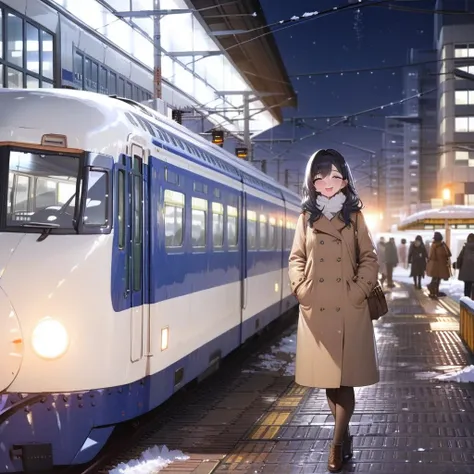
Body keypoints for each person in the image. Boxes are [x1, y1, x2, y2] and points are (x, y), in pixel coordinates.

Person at [288, 149, 379, 473]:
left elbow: (369, 258)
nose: (328, 182)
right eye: (321, 177)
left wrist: (358, 291)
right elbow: (296, 257)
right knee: (330, 382)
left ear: (344, 181)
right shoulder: (306, 218)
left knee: (345, 382)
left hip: (348, 308)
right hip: (317, 310)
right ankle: (344, 435)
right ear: (313, 183)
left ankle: (337, 445)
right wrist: (302, 290)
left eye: (335, 176)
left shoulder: (355, 217)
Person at [426, 231, 452, 298]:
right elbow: (448, 254)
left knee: (436, 279)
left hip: (436, 266)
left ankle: (434, 292)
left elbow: (432, 256)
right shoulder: (440, 245)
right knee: (436, 279)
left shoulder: (435, 245)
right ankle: (433, 291)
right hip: (439, 265)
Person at [456, 233, 474, 298]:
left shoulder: (465, 248)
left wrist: (457, 266)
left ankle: (467, 301)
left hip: (466, 272)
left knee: (467, 287)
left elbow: (459, 258)